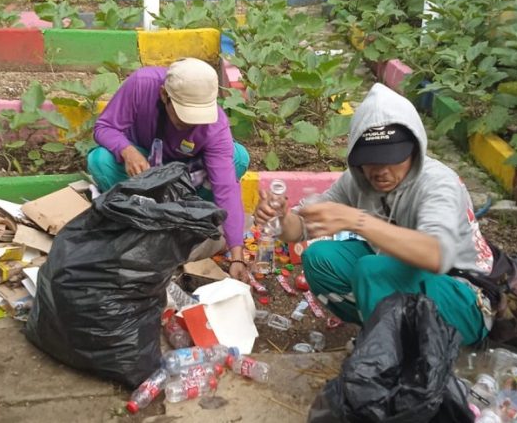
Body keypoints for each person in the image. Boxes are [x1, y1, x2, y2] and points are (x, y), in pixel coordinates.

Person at [253, 83, 494, 345]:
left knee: (372, 269)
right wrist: (280, 217)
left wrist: (357, 221)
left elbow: (436, 256)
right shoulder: (356, 180)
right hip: (405, 278)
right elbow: (300, 228)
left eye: (393, 158)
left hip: (464, 297)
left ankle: (397, 351)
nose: (381, 172)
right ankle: (387, 333)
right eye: (371, 159)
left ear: (414, 149)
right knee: (319, 258)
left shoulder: (438, 184)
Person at [88, 57, 250, 280]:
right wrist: (127, 151)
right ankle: (143, 212)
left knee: (238, 158)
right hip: (143, 166)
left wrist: (237, 254)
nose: (191, 124)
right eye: (184, 116)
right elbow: (104, 127)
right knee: (100, 160)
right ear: (164, 95)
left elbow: (226, 188)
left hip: (187, 174)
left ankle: (187, 212)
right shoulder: (141, 84)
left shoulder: (215, 125)